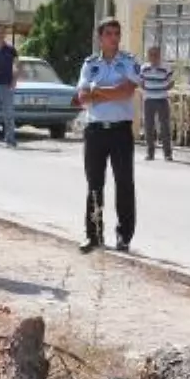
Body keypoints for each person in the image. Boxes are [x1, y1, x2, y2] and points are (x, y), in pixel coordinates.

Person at [76, 17, 141, 254]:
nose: (114, 38)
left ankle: (124, 236)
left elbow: (126, 92)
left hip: (120, 131)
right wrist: (104, 92)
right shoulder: (90, 64)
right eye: (109, 34)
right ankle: (93, 235)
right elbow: (82, 97)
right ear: (100, 37)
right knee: (94, 184)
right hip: (95, 131)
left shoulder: (129, 62)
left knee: (124, 183)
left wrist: (96, 91)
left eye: (117, 33)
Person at [140, 46, 175, 161]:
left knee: (164, 127)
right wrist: (148, 90)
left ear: (159, 56)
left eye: (156, 55)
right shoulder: (144, 68)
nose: (153, 57)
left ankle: (167, 154)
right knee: (148, 127)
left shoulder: (166, 68)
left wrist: (163, 88)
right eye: (151, 55)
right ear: (148, 56)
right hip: (149, 100)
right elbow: (141, 82)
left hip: (162, 100)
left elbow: (172, 82)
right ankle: (150, 154)